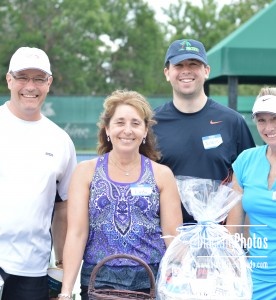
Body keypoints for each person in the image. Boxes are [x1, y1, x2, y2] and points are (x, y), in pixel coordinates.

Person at [58, 90, 183, 300]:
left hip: (150, 283)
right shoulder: (85, 172)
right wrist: (65, 292)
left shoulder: (162, 175)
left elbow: (172, 237)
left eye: (135, 123)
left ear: (145, 132)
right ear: (107, 129)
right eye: (120, 122)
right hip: (98, 284)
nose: (127, 130)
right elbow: (77, 233)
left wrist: (181, 283)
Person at [0, 47, 77, 300]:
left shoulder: (61, 140)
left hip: (32, 268)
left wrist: (62, 267)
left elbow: (63, 207)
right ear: (9, 79)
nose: (30, 86)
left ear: (49, 83)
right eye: (23, 77)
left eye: (39, 79)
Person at [153, 38, 256, 224]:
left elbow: (250, 182)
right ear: (167, 73)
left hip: (220, 237)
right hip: (168, 239)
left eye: (193, 64)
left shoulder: (232, 122)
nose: (186, 70)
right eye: (179, 65)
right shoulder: (151, 124)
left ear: (206, 71)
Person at [226, 87, 276, 299]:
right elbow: (234, 228)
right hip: (253, 281)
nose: (269, 128)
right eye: (261, 120)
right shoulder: (245, 161)